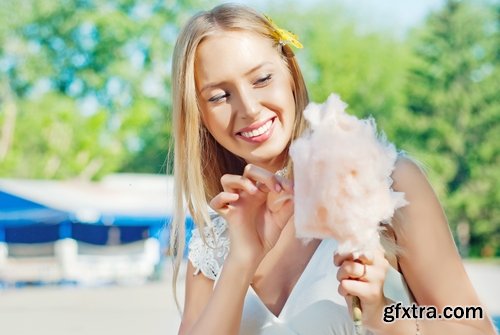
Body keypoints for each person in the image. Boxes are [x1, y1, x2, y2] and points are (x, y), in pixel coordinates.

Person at [169, 3, 496, 335]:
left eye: (262, 79)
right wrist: (241, 260)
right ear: (198, 115)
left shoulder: (388, 182)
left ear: (290, 75)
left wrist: (383, 315)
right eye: (219, 96)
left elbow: (475, 325)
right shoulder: (213, 240)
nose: (249, 108)